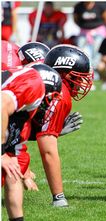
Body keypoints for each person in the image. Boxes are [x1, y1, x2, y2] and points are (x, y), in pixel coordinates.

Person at [24, 44, 93, 207]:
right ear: (64, 74)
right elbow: (48, 151)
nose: (82, 82)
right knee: (12, 168)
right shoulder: (59, 92)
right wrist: (59, 197)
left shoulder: (35, 72)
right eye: (78, 77)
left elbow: (19, 126)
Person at [2, 63, 62, 221]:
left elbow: (13, 174)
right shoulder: (34, 84)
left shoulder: (21, 125)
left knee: (12, 170)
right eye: (51, 100)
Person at [73, 1, 106, 81]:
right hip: (84, 32)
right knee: (81, 51)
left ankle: (95, 73)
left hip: (98, 31)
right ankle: (84, 72)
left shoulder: (100, 5)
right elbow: (76, 19)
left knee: (96, 52)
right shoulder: (79, 6)